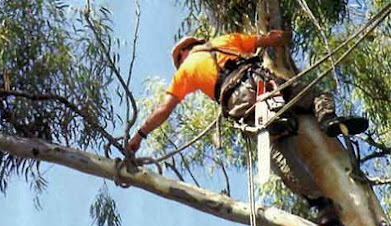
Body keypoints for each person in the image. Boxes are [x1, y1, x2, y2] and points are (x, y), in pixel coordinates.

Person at [128, 30, 368, 153]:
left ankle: (276, 126)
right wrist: (285, 35)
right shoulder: (224, 40)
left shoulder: (185, 71)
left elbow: (164, 109)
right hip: (261, 85)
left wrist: (140, 135)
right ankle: (327, 120)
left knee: (275, 149)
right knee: (316, 96)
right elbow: (268, 39)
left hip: (238, 105)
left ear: (183, 54)